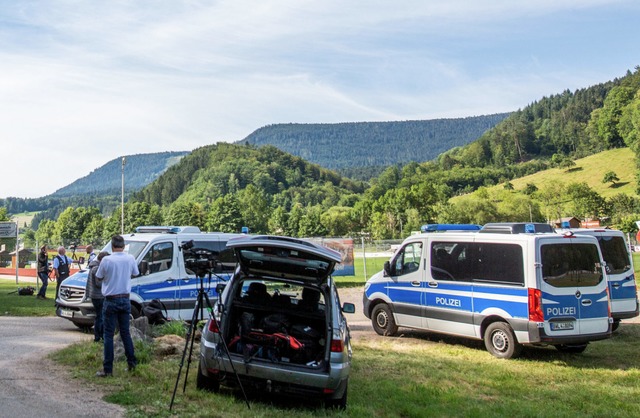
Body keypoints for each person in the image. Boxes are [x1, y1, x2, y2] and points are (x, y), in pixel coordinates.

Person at [95, 235, 139, 377]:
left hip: (110, 299)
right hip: (125, 299)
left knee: (108, 335)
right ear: (124, 245)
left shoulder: (107, 260)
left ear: (112, 246)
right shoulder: (130, 258)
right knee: (125, 332)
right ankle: (132, 363)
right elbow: (135, 273)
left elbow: (99, 277)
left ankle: (108, 369)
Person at [86, 251, 109, 343]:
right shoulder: (97, 268)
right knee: (101, 316)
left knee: (99, 316)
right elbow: (98, 283)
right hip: (98, 295)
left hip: (95, 295)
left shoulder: (93, 267)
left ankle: (98, 336)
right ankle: (99, 336)